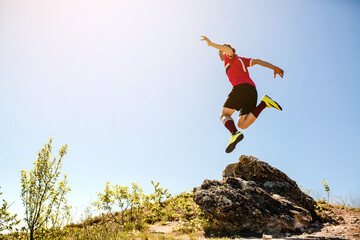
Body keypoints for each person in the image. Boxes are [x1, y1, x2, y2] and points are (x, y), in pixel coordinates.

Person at [201, 36, 284, 153]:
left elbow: (228, 50)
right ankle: (264, 103)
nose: (220, 53)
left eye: (221, 51)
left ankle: (234, 134)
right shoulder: (242, 60)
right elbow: (257, 61)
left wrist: (211, 44)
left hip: (241, 88)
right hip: (252, 91)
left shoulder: (230, 56)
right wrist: (274, 68)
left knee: (224, 114)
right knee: (242, 124)